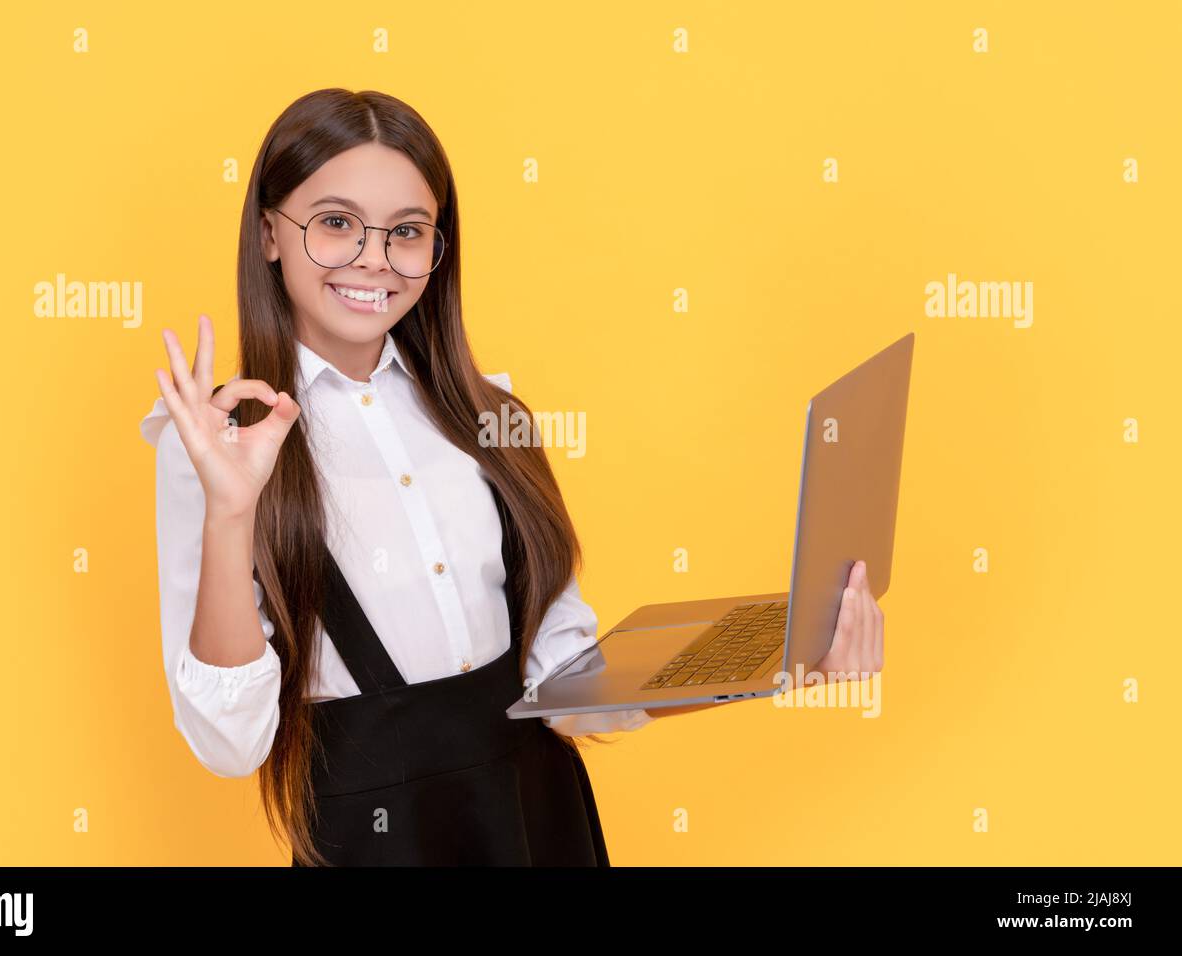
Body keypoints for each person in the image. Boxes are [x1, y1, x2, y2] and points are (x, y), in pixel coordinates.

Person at [139, 88, 884, 867]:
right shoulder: (217, 444)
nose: (373, 259)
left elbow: (568, 681)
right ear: (268, 232)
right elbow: (231, 741)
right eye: (335, 223)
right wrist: (231, 512)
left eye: (408, 232)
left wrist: (778, 659)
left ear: (438, 248)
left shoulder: (490, 417)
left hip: (538, 821)